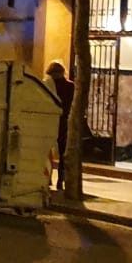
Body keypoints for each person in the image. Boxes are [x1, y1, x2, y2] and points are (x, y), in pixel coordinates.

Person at [45, 59, 75, 190]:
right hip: (64, 121)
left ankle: (47, 177)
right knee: (63, 153)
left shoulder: (46, 85)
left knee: (46, 150)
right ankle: (60, 181)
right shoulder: (70, 86)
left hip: (49, 120)